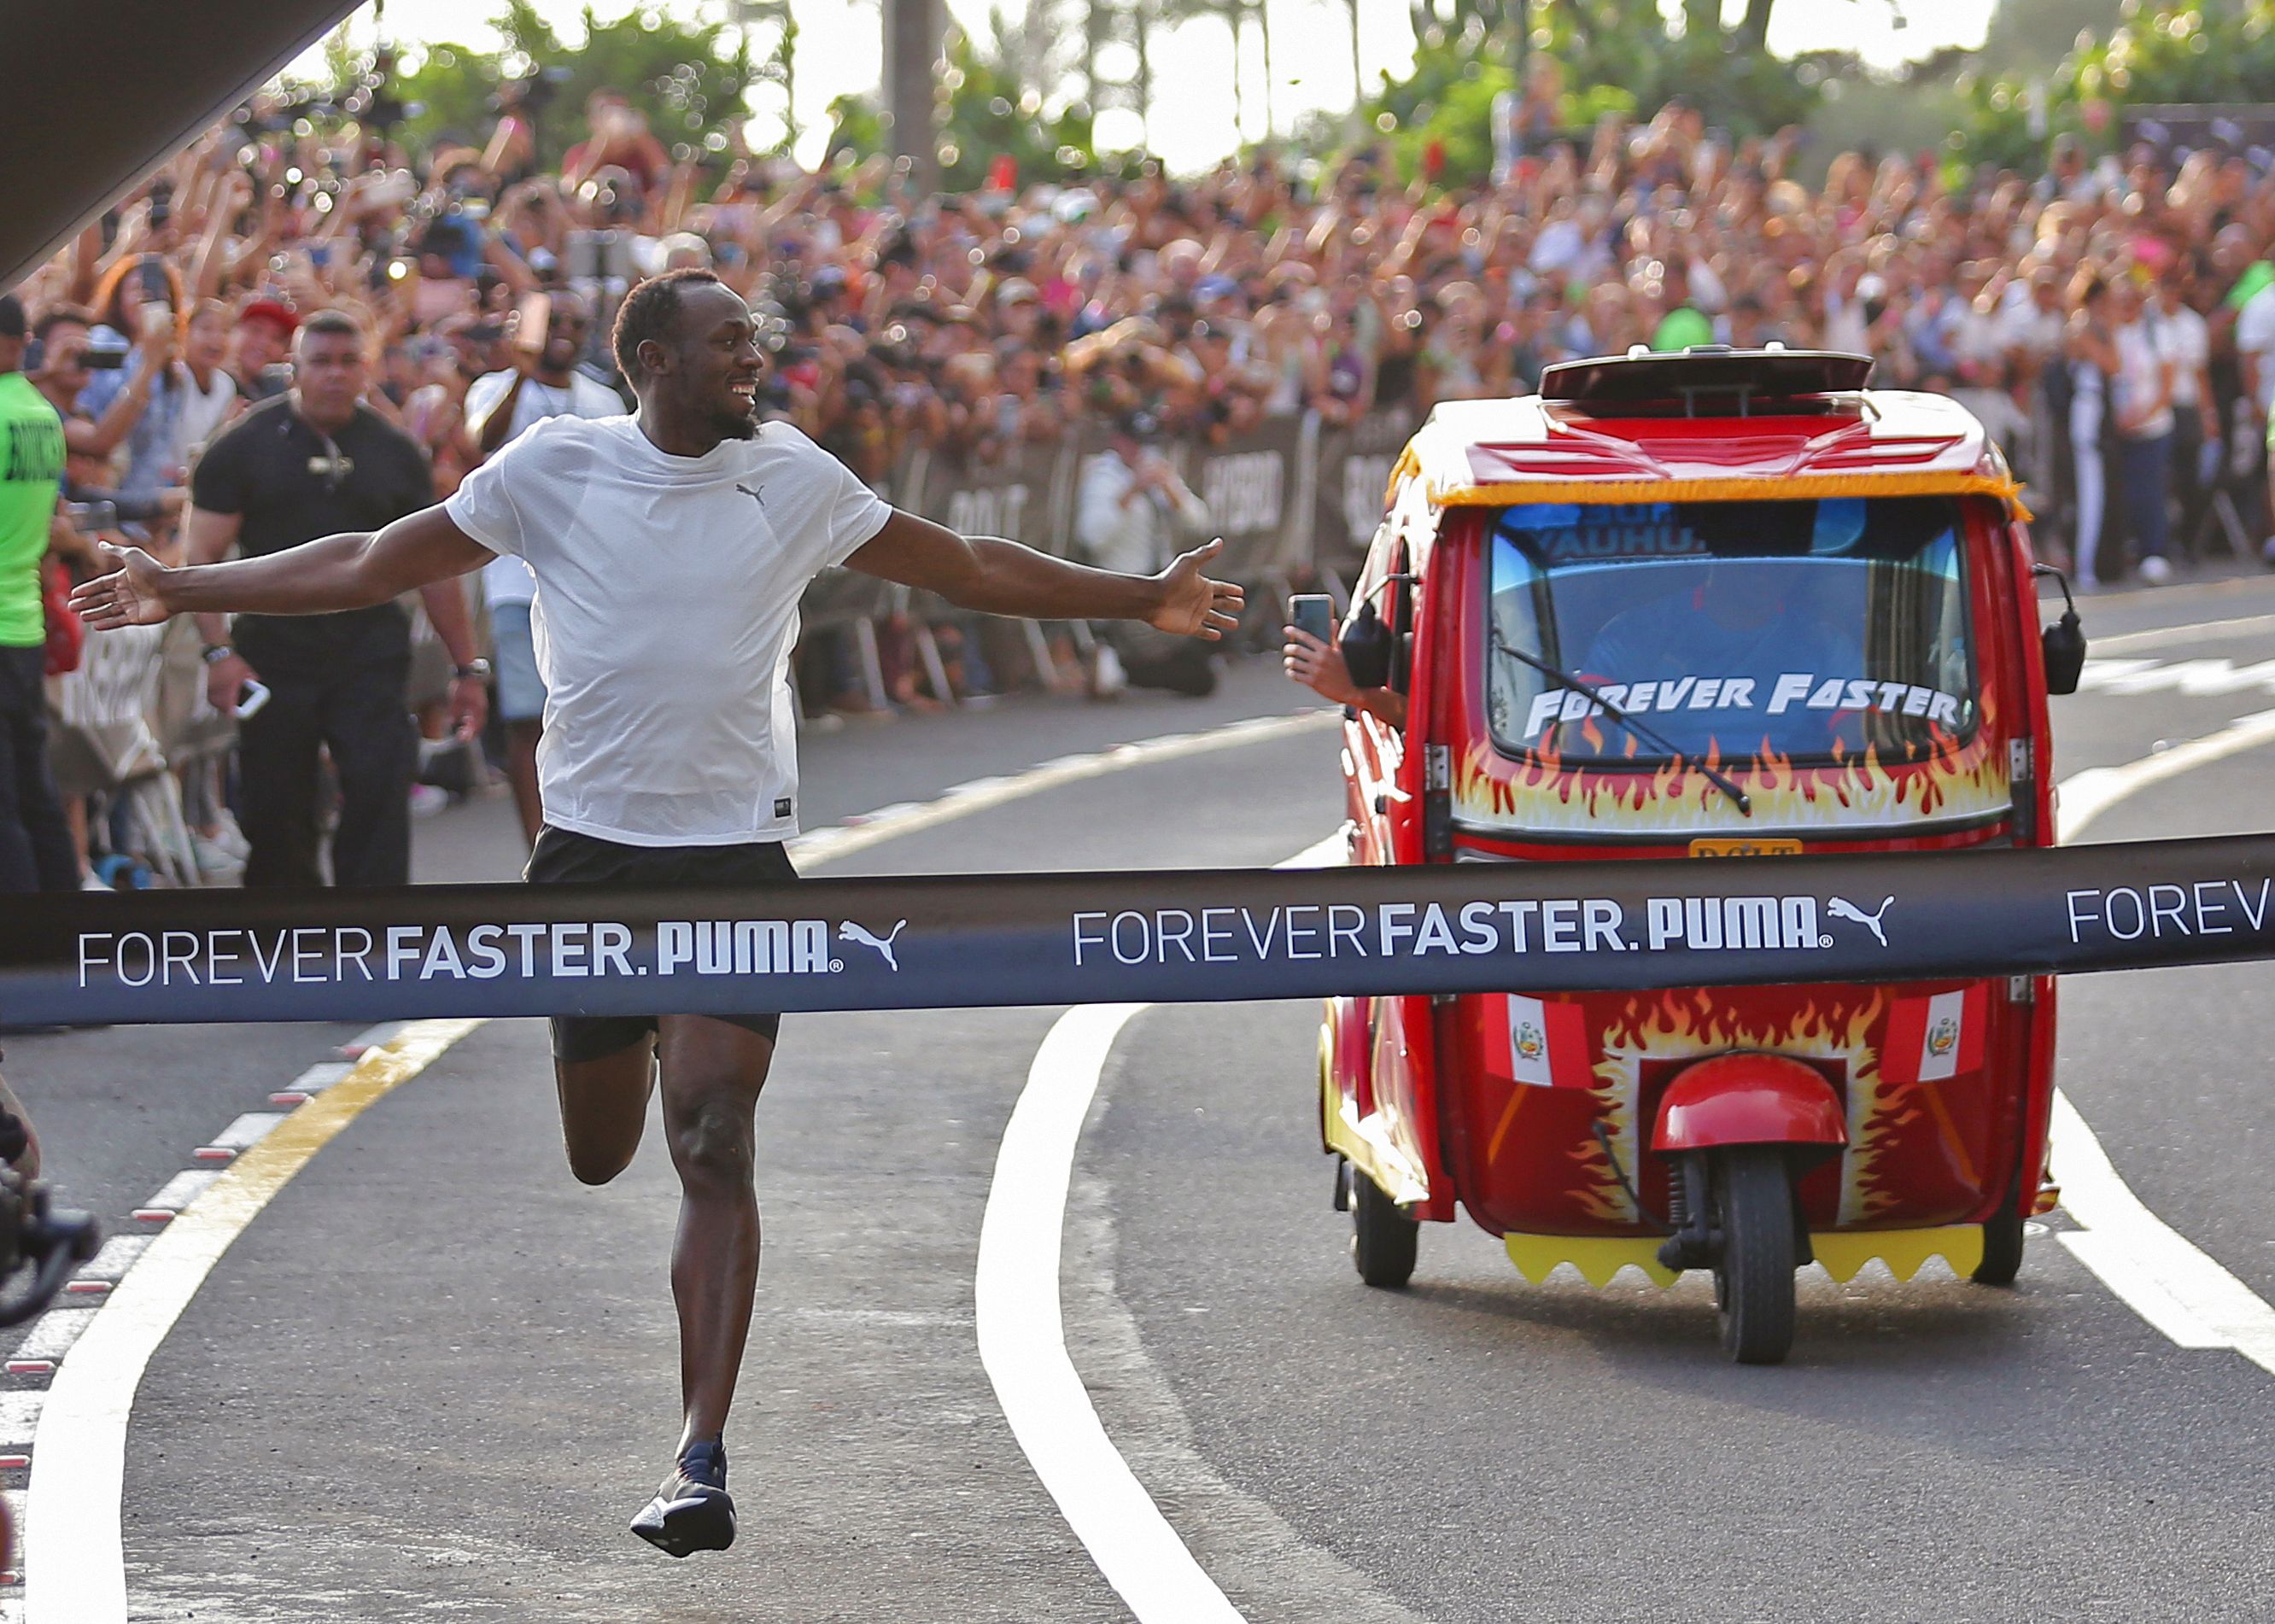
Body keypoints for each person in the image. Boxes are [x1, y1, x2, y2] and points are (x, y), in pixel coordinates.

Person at [70, 267, 1242, 1559]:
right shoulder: (553, 470)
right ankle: (624, 1038)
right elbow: (365, 560)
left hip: (734, 860)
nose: (757, 358)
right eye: (729, 341)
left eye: (755, 339)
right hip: (589, 864)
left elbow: (961, 565)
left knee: (718, 1137)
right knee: (599, 1150)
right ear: (653, 361)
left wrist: (1140, 598)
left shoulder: (791, 473)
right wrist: (186, 585)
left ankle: (699, 1454)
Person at [184, 309, 486, 888]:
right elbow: (200, 559)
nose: (335, 375)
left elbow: (434, 568)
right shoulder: (242, 447)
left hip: (368, 651)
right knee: (277, 812)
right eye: (321, 362)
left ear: (366, 370)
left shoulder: (395, 452)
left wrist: (465, 668)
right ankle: (284, 943)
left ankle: (373, 940)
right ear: (294, 370)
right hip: (273, 653)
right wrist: (218, 654)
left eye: (349, 362)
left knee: (378, 794)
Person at [464, 291, 621, 844]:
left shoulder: (604, 402)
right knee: (529, 719)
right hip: (516, 582)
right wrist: (520, 373)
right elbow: (479, 441)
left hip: (592, 589)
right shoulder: (495, 389)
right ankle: (541, 847)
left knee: (590, 722)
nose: (566, 331)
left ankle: (593, 833)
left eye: (577, 323)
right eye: (554, 320)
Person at [0, 295, 78, 895]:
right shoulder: (42, 413)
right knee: (35, 789)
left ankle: (21, 950)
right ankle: (61, 926)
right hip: (22, 623)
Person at [1073, 410, 1218, 696]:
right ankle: (1119, 664)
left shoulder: (1159, 470)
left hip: (1161, 585)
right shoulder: (1103, 478)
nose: (1144, 451)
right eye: (1136, 443)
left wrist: (1171, 491)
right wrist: (1132, 490)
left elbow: (1201, 523)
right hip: (1124, 588)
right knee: (1196, 677)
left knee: (1210, 649)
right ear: (1119, 442)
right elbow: (1092, 537)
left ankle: (1118, 666)